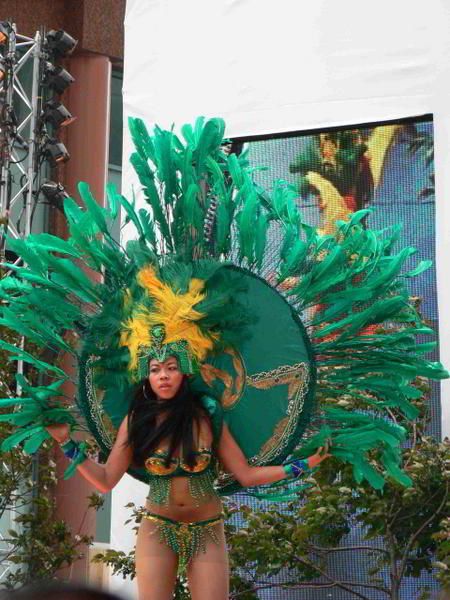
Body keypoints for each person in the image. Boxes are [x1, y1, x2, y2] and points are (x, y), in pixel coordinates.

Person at [46, 351, 329, 600]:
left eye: (171, 367)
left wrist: (303, 465)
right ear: (146, 377)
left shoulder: (207, 413)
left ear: (185, 372)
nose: (164, 376)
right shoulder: (137, 420)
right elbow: (105, 480)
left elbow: (246, 475)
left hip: (207, 528)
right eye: (155, 370)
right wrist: (66, 443)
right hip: (159, 527)